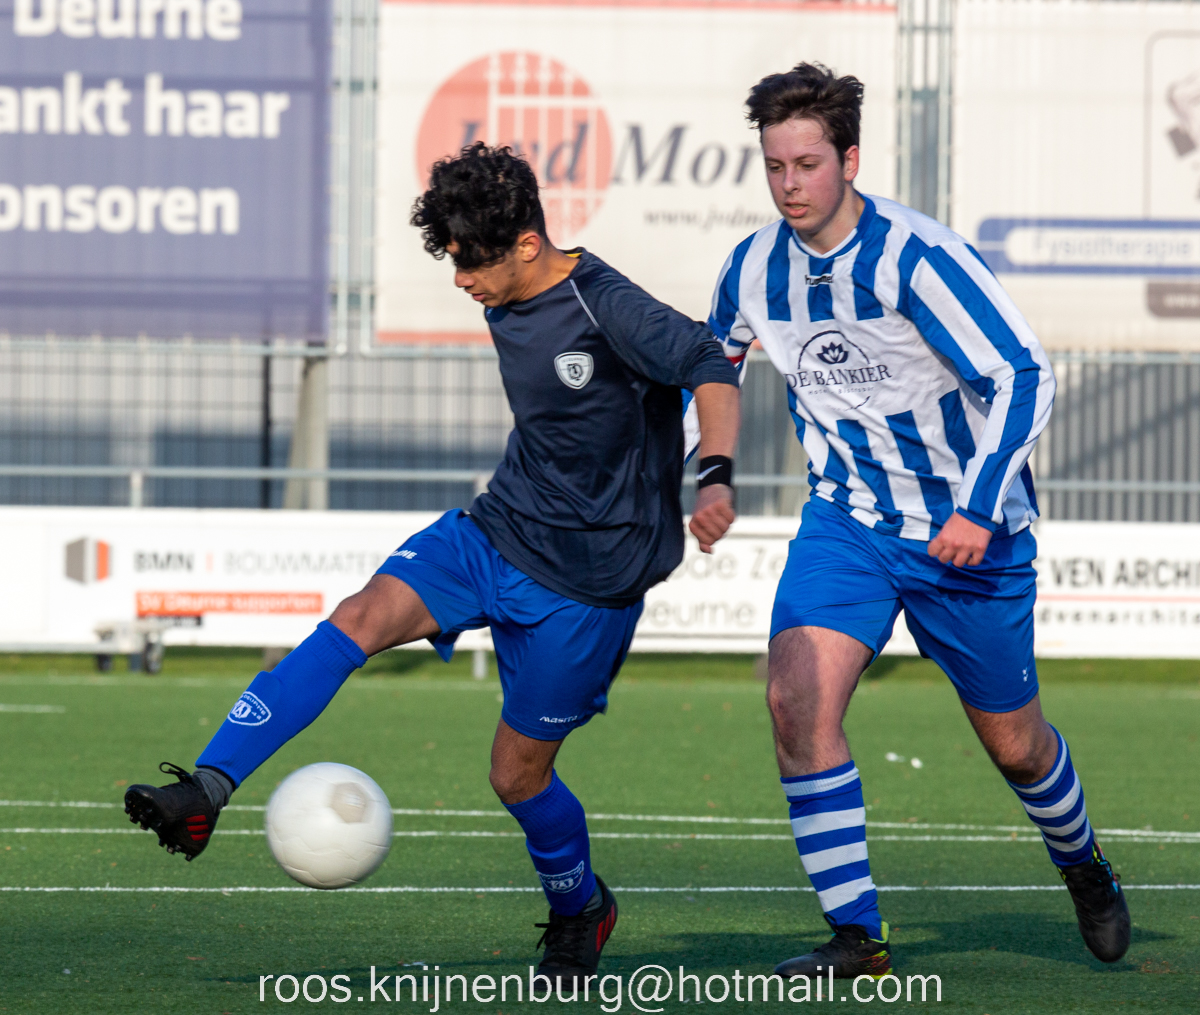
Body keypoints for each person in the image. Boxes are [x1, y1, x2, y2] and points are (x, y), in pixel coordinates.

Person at [124, 143, 741, 986]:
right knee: (358, 616)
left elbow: (707, 360)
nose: (461, 281)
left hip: (588, 585)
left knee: (516, 775)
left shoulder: (605, 305)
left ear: (528, 244)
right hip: (496, 530)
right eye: (453, 260)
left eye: (473, 262)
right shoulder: (503, 288)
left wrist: (716, 475)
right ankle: (206, 789)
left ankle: (580, 909)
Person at [708, 63, 1129, 978]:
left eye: (808, 164)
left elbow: (1024, 374)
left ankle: (1083, 862)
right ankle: (857, 935)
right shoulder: (751, 268)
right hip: (848, 522)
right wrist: (713, 472)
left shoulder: (918, 258)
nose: (789, 185)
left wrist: (977, 505)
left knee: (1017, 747)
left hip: (967, 537)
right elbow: (716, 365)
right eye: (775, 166)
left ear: (850, 159)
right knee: (795, 697)